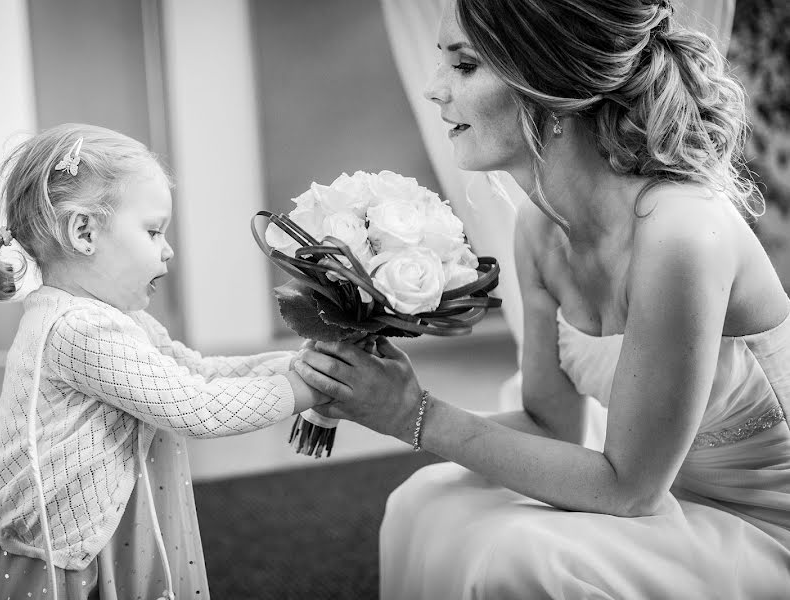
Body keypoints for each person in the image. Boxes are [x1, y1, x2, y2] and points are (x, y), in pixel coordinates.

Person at [293, 0, 790, 597]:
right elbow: (551, 424)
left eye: (466, 65)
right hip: (665, 500)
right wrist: (371, 398)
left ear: (546, 87)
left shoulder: (682, 233)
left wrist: (414, 416)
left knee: (523, 557)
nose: (435, 90)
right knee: (423, 501)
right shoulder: (540, 227)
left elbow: (629, 490)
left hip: (760, 528)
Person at [0, 123, 325, 600]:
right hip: (62, 560)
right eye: (153, 231)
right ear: (84, 232)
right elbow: (197, 408)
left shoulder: (117, 317)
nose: (168, 248)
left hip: (110, 532)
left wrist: (294, 364)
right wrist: (309, 391)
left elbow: (196, 372)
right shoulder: (77, 328)